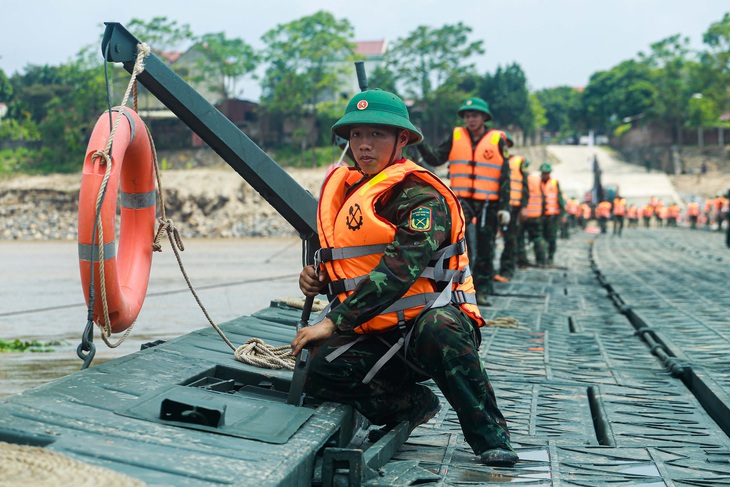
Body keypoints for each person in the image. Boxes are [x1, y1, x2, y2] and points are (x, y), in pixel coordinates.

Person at [293, 89, 518, 467]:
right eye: (356, 135)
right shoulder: (350, 188)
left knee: (439, 327)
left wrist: (334, 321)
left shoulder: (421, 197)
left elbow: (399, 270)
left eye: (376, 135)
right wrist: (315, 276)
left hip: (428, 323)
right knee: (317, 372)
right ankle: (414, 403)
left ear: (402, 139)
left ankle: (489, 435)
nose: (364, 146)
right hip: (377, 328)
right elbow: (348, 258)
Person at [417, 97, 510, 305]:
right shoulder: (456, 136)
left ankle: (483, 289)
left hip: (489, 203)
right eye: (467, 116)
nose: (471, 119)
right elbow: (436, 159)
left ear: (484, 117)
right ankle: (459, 288)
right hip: (461, 202)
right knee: (461, 246)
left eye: (475, 115)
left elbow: (505, 176)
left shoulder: (497, 140)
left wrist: (505, 208)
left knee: (487, 246)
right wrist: (420, 141)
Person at [497, 154, 529, 281]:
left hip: (513, 208)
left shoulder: (518, 161)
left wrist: (524, 207)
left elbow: (525, 185)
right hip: (494, 205)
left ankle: (507, 270)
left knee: (510, 240)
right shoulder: (494, 158)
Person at [517, 171, 547, 267]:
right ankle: (541, 260)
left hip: (523, 214)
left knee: (520, 238)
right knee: (537, 237)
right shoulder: (537, 180)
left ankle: (522, 262)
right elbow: (543, 198)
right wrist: (542, 213)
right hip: (536, 214)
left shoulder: (521, 179)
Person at [539, 163, 565, 264]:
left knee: (551, 237)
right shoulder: (537, 182)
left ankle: (550, 256)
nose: (545, 175)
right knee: (542, 237)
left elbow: (560, 198)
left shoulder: (555, 183)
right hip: (541, 215)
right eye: (543, 173)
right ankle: (542, 256)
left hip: (553, 215)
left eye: (546, 173)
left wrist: (563, 214)